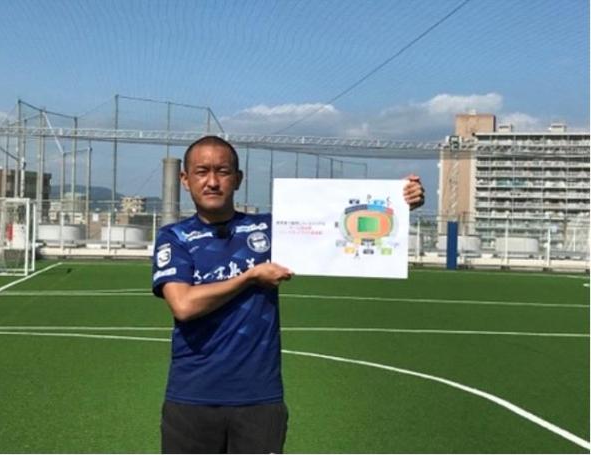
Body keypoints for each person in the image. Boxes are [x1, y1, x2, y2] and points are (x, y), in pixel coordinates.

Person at [151, 135, 425, 454]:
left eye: (222, 171)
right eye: (202, 171)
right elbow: (183, 305)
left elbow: (342, 224)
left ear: (238, 179)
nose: (212, 181)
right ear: (185, 179)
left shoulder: (272, 231)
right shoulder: (174, 237)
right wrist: (250, 277)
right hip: (192, 396)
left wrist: (400, 203)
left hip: (258, 398)